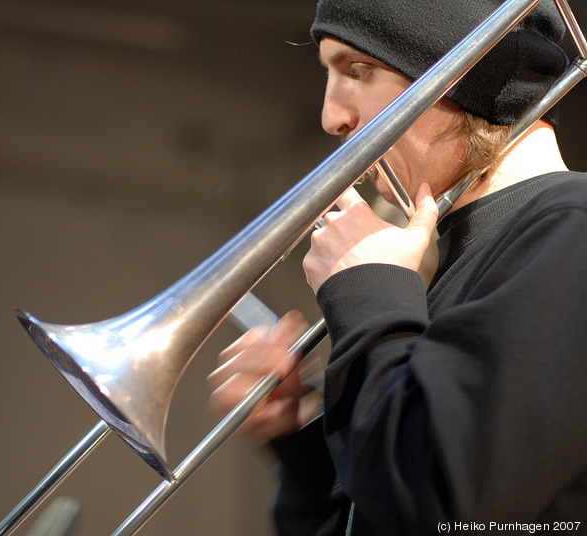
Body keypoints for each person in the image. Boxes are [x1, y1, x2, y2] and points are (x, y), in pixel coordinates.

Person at [206, 1, 587, 534]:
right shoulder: (459, 255)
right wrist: (303, 436)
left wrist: (368, 294)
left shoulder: (573, 227)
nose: (331, 117)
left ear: (459, 77)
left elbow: (443, 508)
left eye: (358, 70)